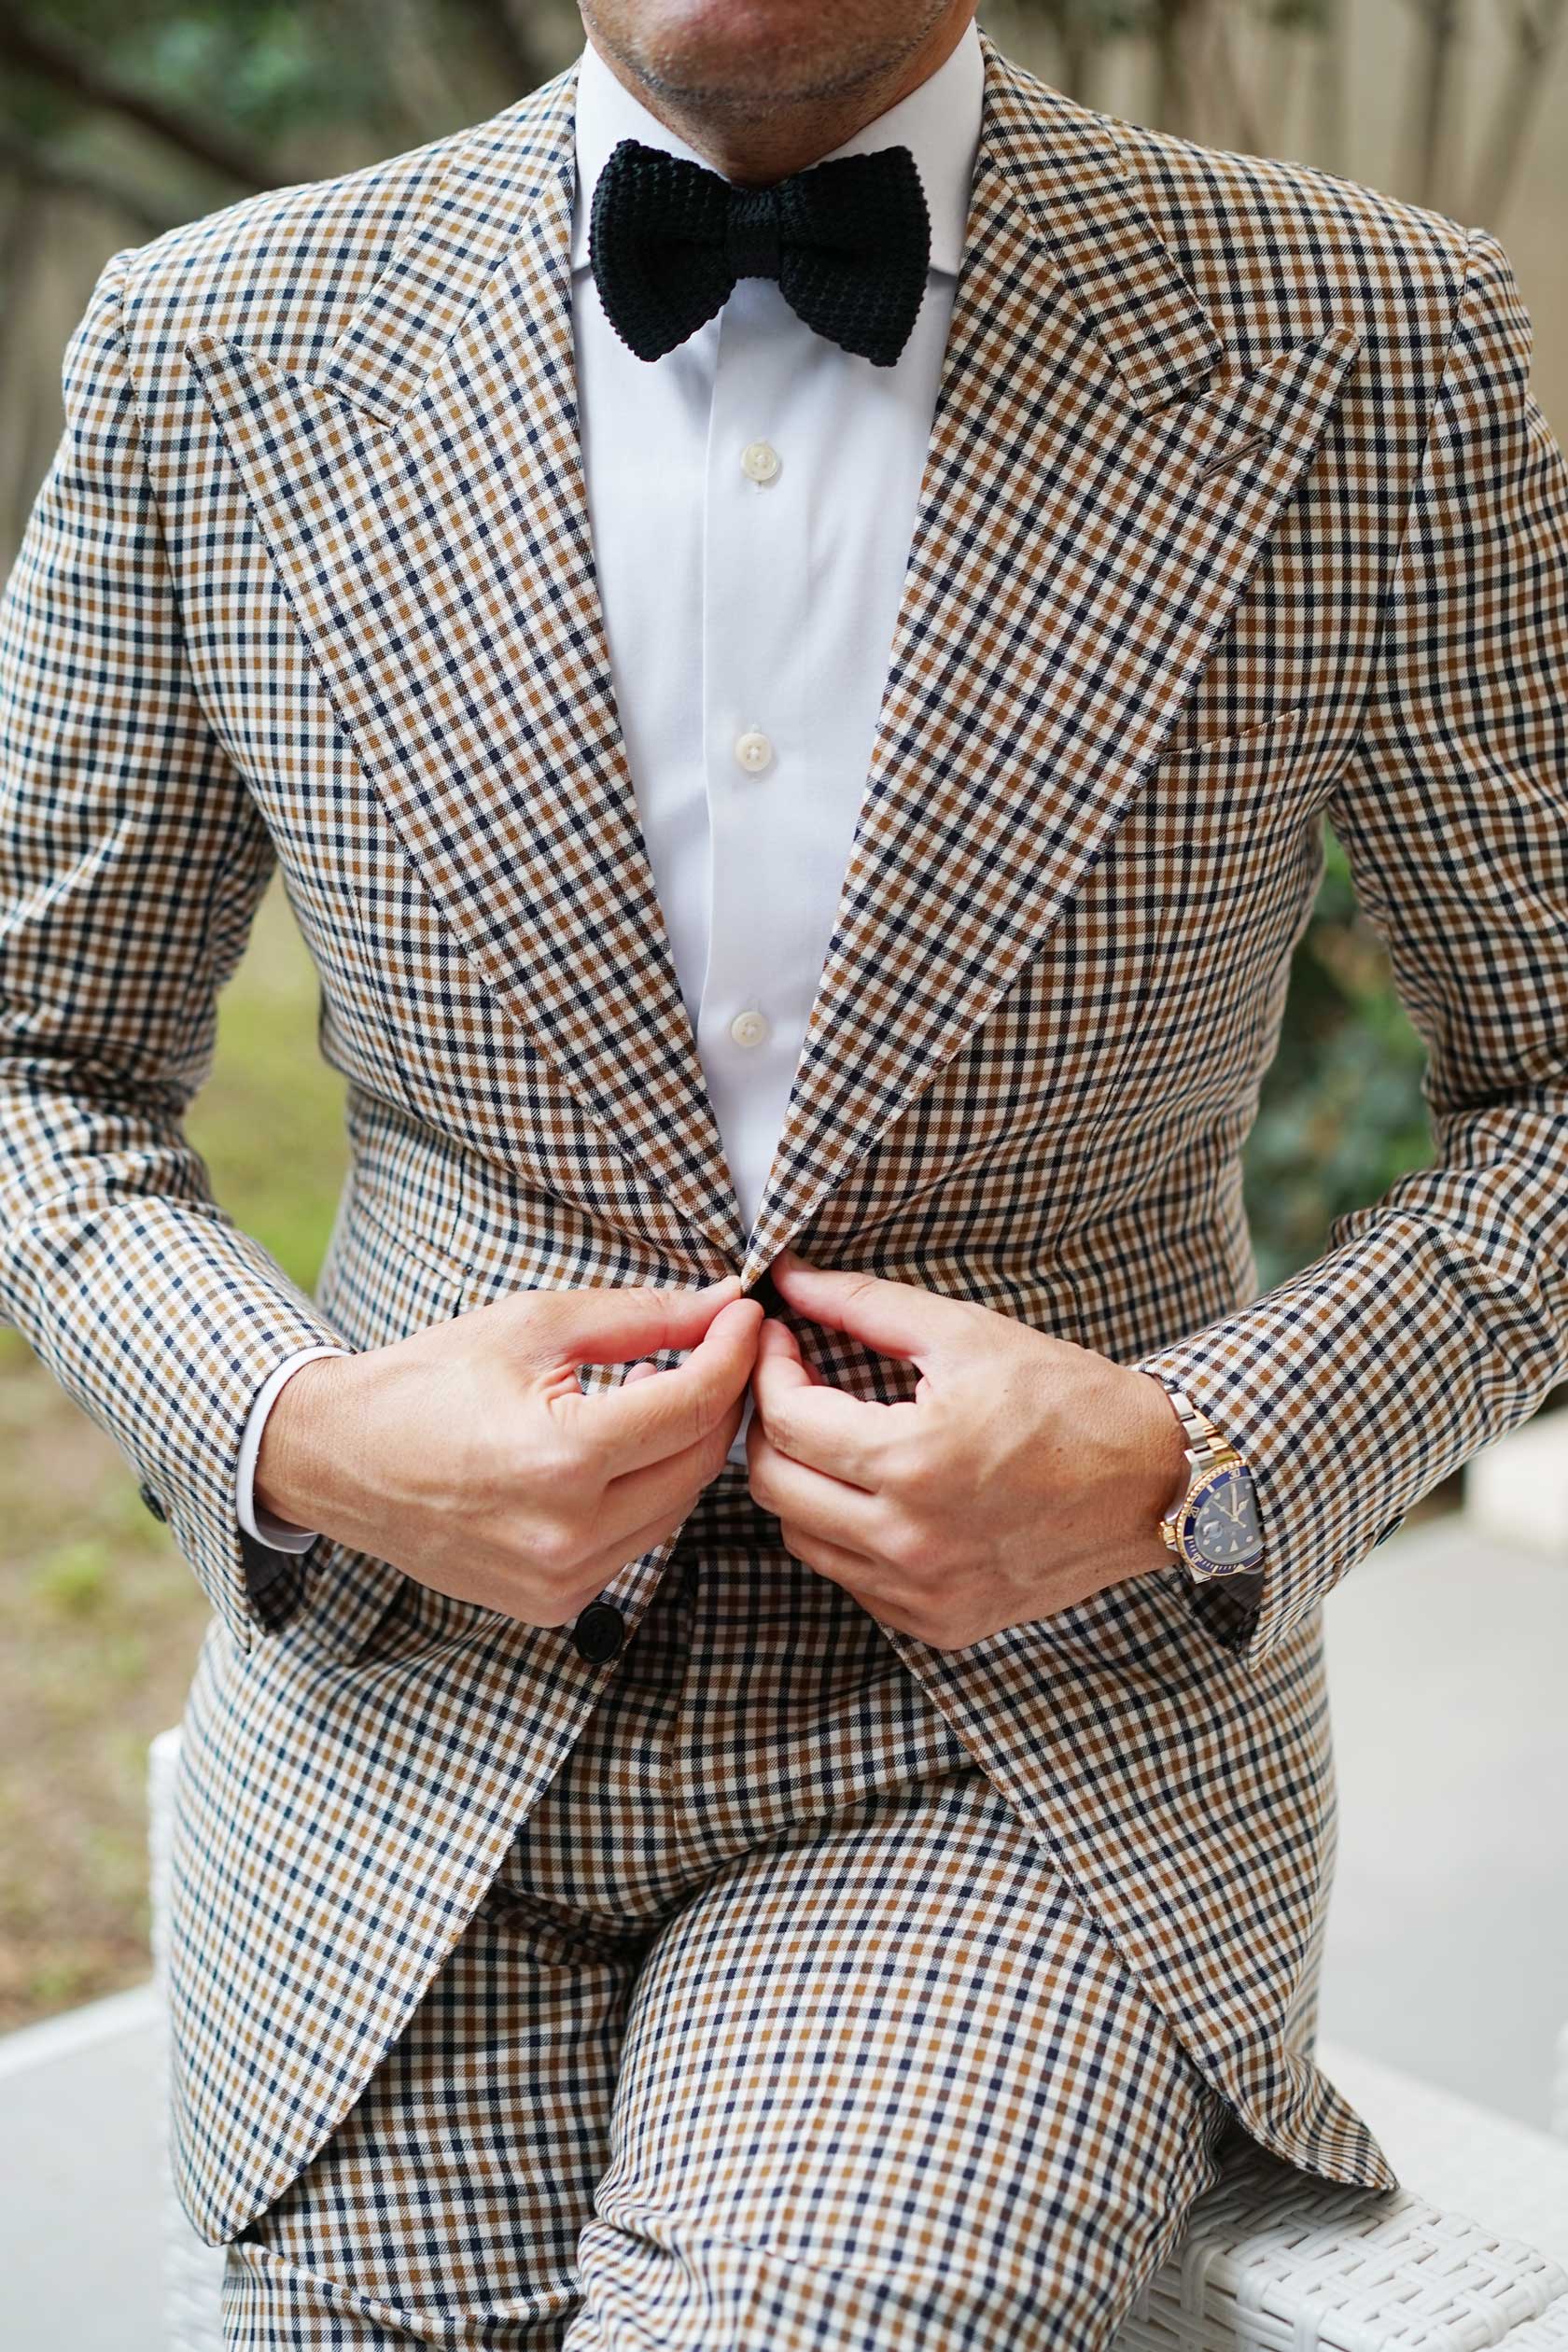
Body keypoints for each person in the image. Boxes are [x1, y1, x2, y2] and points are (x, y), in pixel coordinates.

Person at [2, 0, 1564, 2342]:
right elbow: (35, 1053)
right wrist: (298, 1435)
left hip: (1024, 1754)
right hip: (396, 1752)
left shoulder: (1374, 338)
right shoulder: (214, 341)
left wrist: (1189, 1457)